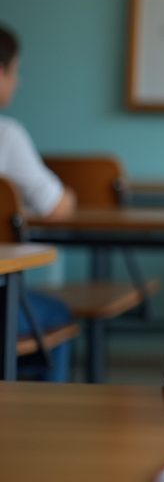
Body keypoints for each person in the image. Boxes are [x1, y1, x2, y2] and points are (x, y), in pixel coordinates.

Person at [0, 23, 77, 381]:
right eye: (15, 71)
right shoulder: (7, 135)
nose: (18, 81)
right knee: (58, 312)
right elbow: (56, 206)